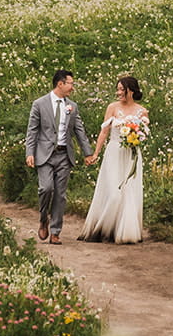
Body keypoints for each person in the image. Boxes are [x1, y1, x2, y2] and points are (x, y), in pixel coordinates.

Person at [25, 69, 95, 244]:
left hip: (64, 154)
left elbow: (79, 130)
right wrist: (29, 153)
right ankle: (43, 219)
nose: (73, 87)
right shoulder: (39, 104)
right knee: (46, 189)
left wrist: (88, 152)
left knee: (60, 195)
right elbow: (32, 130)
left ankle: (56, 231)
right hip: (45, 155)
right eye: (70, 83)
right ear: (60, 84)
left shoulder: (73, 106)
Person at [79, 74, 148, 244]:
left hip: (132, 154)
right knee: (113, 192)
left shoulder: (142, 111)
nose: (117, 92)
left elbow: (144, 133)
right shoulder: (112, 107)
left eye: (120, 89)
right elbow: (104, 131)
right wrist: (96, 153)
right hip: (114, 152)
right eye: (117, 89)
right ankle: (103, 229)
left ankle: (126, 232)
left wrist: (136, 138)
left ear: (130, 91)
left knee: (130, 192)